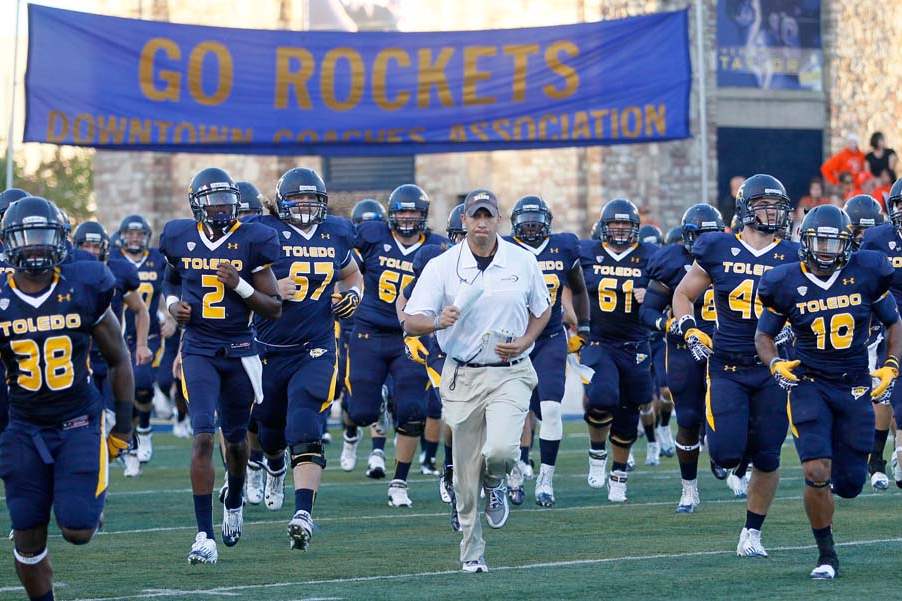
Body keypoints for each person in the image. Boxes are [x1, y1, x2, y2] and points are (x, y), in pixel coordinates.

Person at [402, 189, 550, 573]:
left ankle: (498, 481)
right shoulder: (442, 265)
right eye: (475, 216)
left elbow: (543, 309)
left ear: (499, 219)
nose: (482, 223)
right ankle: (472, 553)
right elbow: (410, 319)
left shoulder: (523, 260)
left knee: (500, 450)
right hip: (463, 373)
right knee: (465, 478)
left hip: (510, 370)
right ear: (464, 221)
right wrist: (438, 321)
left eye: (488, 216)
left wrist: (527, 340)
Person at [756, 205, 901, 579]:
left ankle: (837, 494)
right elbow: (764, 335)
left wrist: (891, 365)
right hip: (810, 383)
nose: (824, 249)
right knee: (816, 468)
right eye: (818, 240)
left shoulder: (866, 274)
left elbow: (894, 323)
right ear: (805, 241)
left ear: (847, 244)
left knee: (851, 485)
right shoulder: (785, 281)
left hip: (854, 386)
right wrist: (774, 363)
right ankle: (826, 554)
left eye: (832, 241)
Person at [0, 196, 134, 601]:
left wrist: (123, 429)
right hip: (23, 424)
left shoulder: (84, 284)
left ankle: (83, 488)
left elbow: (119, 358)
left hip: (78, 420)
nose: (36, 247)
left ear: (61, 241)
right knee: (26, 531)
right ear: (10, 243)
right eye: (28, 237)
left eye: (44, 237)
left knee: (77, 528)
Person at [672, 174, 798, 557]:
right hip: (727, 365)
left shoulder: (792, 254)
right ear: (745, 208)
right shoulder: (717, 247)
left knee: (768, 455)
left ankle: (752, 533)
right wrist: (689, 328)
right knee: (726, 453)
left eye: (777, 205)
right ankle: (730, 455)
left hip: (773, 368)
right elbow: (683, 293)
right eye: (764, 204)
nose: (773, 212)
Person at [160, 167, 282, 563]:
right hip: (198, 347)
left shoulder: (253, 239)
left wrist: (239, 285)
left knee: (235, 441)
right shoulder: (180, 236)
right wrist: (171, 306)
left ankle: (233, 498)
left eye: (225, 199)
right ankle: (203, 535)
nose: (219, 207)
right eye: (211, 199)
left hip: (240, 349)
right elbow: (171, 279)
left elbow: (274, 307)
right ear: (196, 203)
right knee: (202, 436)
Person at [247, 167, 362, 550]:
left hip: (316, 347)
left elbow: (352, 274)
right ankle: (275, 466)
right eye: (297, 200)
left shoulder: (337, 232)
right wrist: (270, 289)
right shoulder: (263, 231)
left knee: (305, 422)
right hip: (268, 348)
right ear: (281, 203)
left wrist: (354, 296)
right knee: (269, 430)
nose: (305, 206)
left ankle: (303, 513)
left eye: (312, 199)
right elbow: (239, 285)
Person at [347, 184, 448, 507]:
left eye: (413, 212)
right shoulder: (372, 235)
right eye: (401, 211)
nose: (407, 218)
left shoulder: (437, 247)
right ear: (390, 214)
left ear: (423, 216)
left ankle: (399, 482)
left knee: (414, 412)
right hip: (369, 332)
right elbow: (337, 251)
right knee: (361, 412)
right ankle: (380, 402)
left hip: (411, 336)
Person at [640, 203, 725, 512]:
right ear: (688, 238)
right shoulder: (672, 262)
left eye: (710, 236)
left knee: (730, 415)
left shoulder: (733, 255)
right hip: (684, 347)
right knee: (688, 418)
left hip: (725, 346)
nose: (705, 243)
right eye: (699, 237)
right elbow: (647, 309)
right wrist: (668, 323)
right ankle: (689, 489)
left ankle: (726, 457)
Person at [506, 195, 589, 507]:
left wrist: (584, 326)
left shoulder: (564, 247)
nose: (530, 227)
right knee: (514, 412)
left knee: (551, 409)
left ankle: (545, 481)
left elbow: (579, 288)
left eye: (536, 221)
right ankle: (514, 473)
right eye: (524, 221)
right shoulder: (504, 248)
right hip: (512, 339)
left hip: (551, 336)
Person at [578, 198, 657, 502]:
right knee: (602, 396)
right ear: (604, 227)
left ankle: (619, 474)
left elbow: (673, 288)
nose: (621, 229)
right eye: (615, 223)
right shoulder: (587, 252)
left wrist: (650, 294)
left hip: (636, 343)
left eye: (626, 224)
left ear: (636, 228)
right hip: (599, 340)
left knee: (631, 407)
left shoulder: (650, 256)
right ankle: (597, 453)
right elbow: (569, 283)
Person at [73, 221, 152, 479]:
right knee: (89, 421)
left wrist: (141, 344)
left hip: (111, 356)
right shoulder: (66, 273)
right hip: (81, 357)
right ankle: (97, 473)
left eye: (97, 246)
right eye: (86, 246)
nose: (92, 252)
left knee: (115, 414)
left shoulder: (119, 271)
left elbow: (140, 309)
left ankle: (129, 449)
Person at [110, 214, 169, 471]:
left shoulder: (157, 260)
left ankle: (144, 429)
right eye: (130, 233)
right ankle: (130, 442)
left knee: (143, 385)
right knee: (123, 391)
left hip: (150, 334)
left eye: (139, 233)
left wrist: (171, 316)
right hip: (119, 336)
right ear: (122, 235)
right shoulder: (113, 259)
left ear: (146, 236)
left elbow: (170, 288)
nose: (134, 238)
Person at [844, 195, 892, 490]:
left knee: (881, 394)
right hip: (835, 342)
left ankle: (876, 460)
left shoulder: (879, 259)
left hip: (873, 335)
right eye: (858, 234)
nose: (864, 240)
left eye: (868, 233)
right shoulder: (828, 256)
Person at [338, 198, 388, 474]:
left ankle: (378, 452)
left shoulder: (385, 251)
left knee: (382, 393)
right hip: (349, 328)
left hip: (381, 330)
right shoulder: (348, 253)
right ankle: (350, 436)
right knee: (351, 393)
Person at [861, 178, 902, 488]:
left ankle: (896, 452)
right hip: (886, 322)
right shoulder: (877, 238)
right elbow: (861, 279)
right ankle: (876, 456)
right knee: (884, 391)